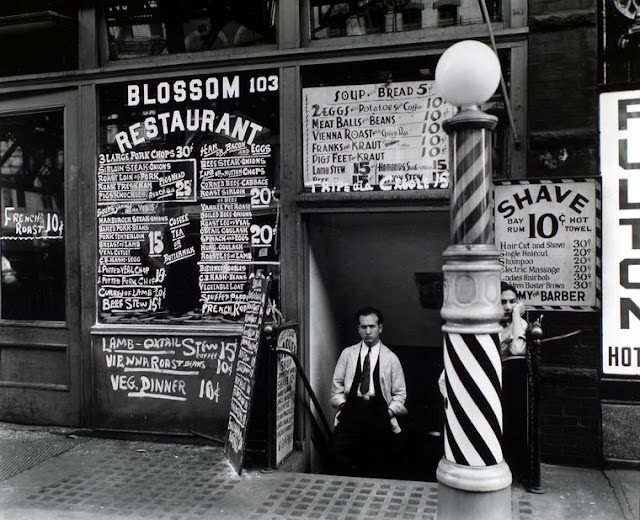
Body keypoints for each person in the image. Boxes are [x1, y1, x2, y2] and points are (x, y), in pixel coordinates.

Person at [329, 306, 407, 477]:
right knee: (341, 456)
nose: (368, 331)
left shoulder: (391, 358)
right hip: (352, 411)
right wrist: (343, 406)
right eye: (363, 327)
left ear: (380, 328)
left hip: (379, 412)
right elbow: (336, 387)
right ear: (358, 329)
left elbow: (400, 394)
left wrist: (388, 412)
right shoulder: (347, 354)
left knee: (377, 462)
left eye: (372, 326)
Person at [499, 281, 528, 360]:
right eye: (503, 302)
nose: (508, 307)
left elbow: (517, 350)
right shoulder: (487, 324)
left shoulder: (520, 323)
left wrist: (516, 314)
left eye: (512, 302)